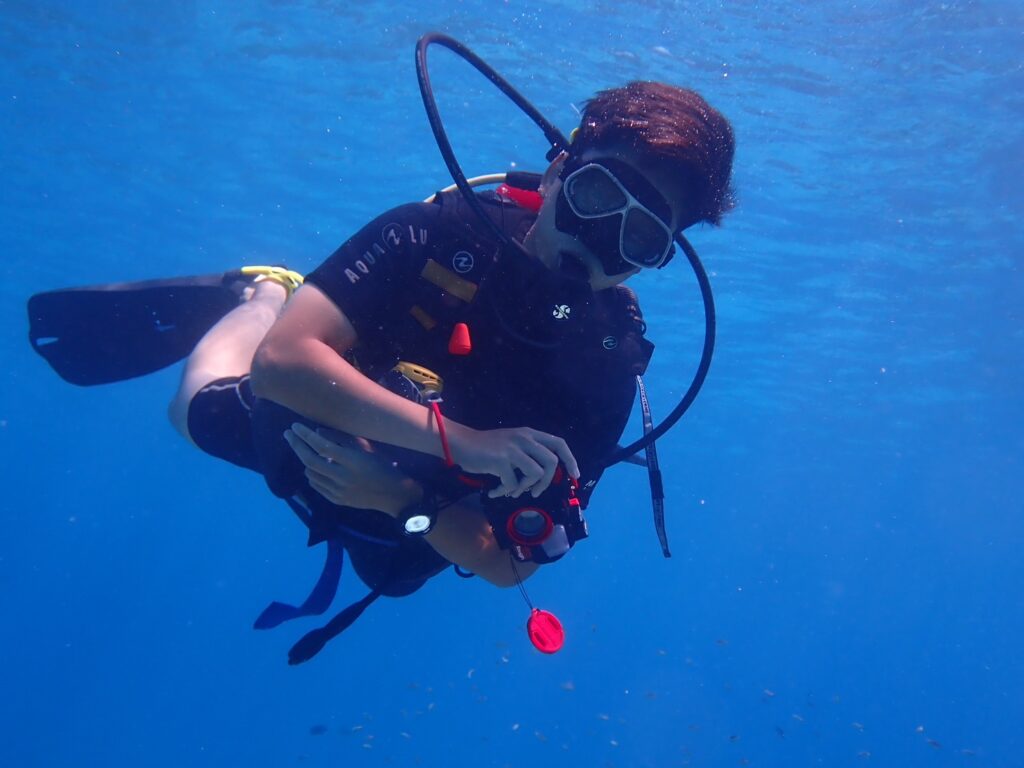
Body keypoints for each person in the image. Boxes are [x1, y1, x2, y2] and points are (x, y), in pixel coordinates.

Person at [30, 81, 734, 662]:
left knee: (393, 574)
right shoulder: (436, 232)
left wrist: (400, 499)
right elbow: (281, 364)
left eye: (639, 235)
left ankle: (332, 389)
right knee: (191, 412)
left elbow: (515, 564)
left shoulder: (609, 363)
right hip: (327, 414)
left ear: (656, 258)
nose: (599, 239)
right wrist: (460, 441)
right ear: (557, 174)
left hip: (417, 512)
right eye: (596, 196)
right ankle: (267, 293)